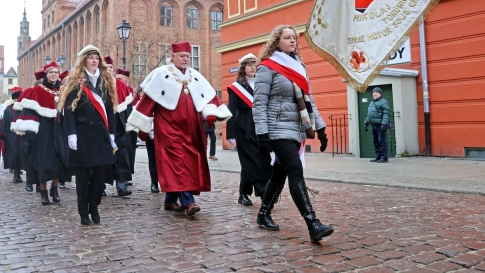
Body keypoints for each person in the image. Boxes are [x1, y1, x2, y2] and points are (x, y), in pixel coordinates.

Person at [128, 41, 232, 216]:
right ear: (173, 56)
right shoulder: (161, 74)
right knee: (179, 161)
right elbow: (148, 101)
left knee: (187, 162)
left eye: (188, 56)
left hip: (192, 130)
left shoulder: (195, 75)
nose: (185, 59)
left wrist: (213, 113)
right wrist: (143, 126)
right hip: (169, 129)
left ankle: (170, 200)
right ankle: (188, 201)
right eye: (182, 56)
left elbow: (209, 99)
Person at [253, 25, 333, 242]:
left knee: (280, 173)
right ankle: (313, 223)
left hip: (297, 128)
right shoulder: (267, 68)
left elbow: (310, 101)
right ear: (276, 41)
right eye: (287, 37)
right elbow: (259, 104)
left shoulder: (299, 66)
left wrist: (321, 127)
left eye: (294, 38)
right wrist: (262, 134)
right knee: (295, 170)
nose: (292, 41)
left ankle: (263, 214)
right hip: (277, 129)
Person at [60, 45, 117, 225]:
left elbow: (109, 109)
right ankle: (83, 211)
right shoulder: (76, 80)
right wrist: (71, 135)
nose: (94, 61)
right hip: (82, 135)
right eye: (91, 58)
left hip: (100, 135)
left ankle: (94, 206)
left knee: (99, 176)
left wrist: (112, 133)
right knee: (83, 178)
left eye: (96, 58)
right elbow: (69, 111)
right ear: (84, 60)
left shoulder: (104, 80)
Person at [15, 62, 67, 206]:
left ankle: (54, 189)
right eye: (51, 72)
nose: (54, 75)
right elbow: (29, 111)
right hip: (43, 130)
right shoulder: (37, 90)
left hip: (59, 128)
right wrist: (30, 130)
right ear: (46, 74)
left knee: (59, 160)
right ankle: (43, 192)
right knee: (43, 161)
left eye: (56, 72)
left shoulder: (63, 89)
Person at [226, 53, 272, 206]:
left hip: (261, 127)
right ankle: (263, 192)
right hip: (244, 128)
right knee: (251, 160)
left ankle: (242, 194)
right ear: (243, 68)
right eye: (249, 65)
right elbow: (231, 111)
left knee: (262, 160)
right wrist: (230, 133)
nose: (253, 67)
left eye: (255, 64)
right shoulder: (237, 87)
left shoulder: (262, 83)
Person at [104, 57, 133, 196]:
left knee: (120, 155)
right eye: (107, 67)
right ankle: (100, 186)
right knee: (103, 155)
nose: (109, 70)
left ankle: (121, 185)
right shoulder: (96, 83)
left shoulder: (120, 85)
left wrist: (128, 123)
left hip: (118, 123)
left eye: (111, 67)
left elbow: (128, 106)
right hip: (102, 124)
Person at [0, 86, 24, 183]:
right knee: (14, 155)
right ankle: (15, 174)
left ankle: (19, 173)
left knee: (21, 155)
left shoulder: (24, 109)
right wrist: (3, 134)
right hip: (11, 136)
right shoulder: (8, 109)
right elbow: (4, 122)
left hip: (23, 135)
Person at [364, 87, 390, 163]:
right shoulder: (372, 102)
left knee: (382, 141)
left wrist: (384, 124)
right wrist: (366, 123)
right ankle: (378, 157)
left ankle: (384, 157)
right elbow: (370, 115)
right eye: (373, 92)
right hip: (373, 125)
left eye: (376, 92)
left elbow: (386, 114)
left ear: (380, 94)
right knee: (376, 142)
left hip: (380, 125)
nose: (374, 94)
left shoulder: (384, 102)